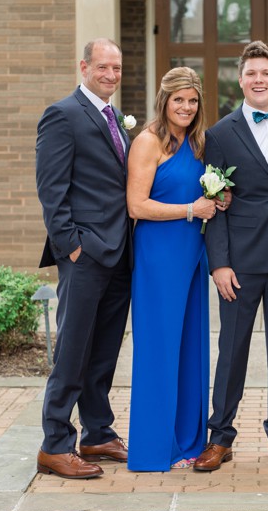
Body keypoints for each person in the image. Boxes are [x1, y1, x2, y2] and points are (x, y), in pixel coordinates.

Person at [194, 40, 268, 472]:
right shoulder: (220, 135)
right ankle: (220, 437)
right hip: (241, 262)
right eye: (251, 74)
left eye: (266, 73)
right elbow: (214, 201)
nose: (258, 80)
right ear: (241, 81)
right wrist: (220, 264)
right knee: (232, 351)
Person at [35, 38, 133, 479]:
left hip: (120, 254)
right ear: (84, 66)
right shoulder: (63, 115)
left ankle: (97, 432)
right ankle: (55, 443)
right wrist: (71, 246)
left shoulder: (116, 120)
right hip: (86, 253)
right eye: (103, 67)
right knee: (73, 351)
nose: (110, 75)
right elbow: (51, 188)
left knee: (104, 351)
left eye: (116, 68)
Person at [125, 67, 226, 471]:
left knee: (190, 347)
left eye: (192, 100)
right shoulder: (148, 142)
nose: (186, 107)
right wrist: (190, 210)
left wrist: (219, 199)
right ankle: (153, 448)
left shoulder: (200, 142)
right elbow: (137, 205)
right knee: (159, 348)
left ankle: (187, 442)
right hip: (157, 255)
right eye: (178, 100)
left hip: (191, 255)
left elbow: (205, 196)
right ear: (164, 101)